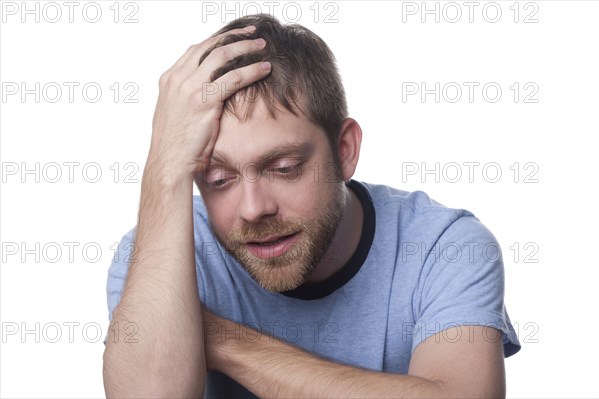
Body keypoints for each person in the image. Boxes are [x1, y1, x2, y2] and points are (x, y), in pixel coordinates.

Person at [103, 13, 520, 398]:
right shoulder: (159, 256)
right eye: (218, 179)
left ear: (345, 150)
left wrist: (220, 339)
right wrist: (164, 167)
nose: (252, 208)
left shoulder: (444, 246)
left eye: (284, 168)